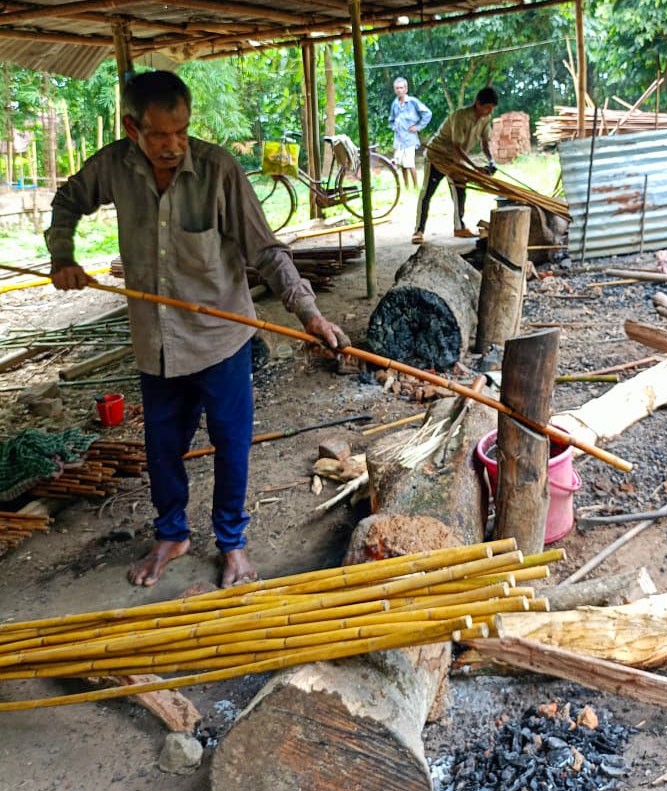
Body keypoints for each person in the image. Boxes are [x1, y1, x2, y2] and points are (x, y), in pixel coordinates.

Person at [46, 71, 349, 589]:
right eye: (160, 135)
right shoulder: (114, 167)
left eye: (181, 132)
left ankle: (231, 543)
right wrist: (63, 257)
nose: (172, 146)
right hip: (156, 343)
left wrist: (309, 313)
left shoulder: (218, 170)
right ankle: (172, 534)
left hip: (220, 339)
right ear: (131, 128)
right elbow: (67, 201)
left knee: (231, 446)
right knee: (162, 448)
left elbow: (267, 252)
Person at [412, 87, 498, 244]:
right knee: (427, 193)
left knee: (460, 191)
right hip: (437, 156)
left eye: (491, 109)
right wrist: (474, 168)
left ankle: (459, 227)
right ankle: (419, 230)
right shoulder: (460, 117)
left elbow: (485, 144)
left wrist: (491, 161)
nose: (488, 112)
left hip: (456, 160)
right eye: (487, 108)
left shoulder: (486, 119)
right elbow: (457, 147)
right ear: (478, 103)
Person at [388, 77, 432, 190]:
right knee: (402, 164)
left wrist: (418, 127)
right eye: (397, 88)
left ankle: (416, 186)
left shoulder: (412, 102)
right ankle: (407, 187)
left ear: (406, 89)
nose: (399, 90)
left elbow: (427, 113)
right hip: (399, 139)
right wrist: (394, 127)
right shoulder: (395, 104)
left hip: (409, 138)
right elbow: (391, 119)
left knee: (410, 163)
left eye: (401, 88)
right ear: (394, 90)